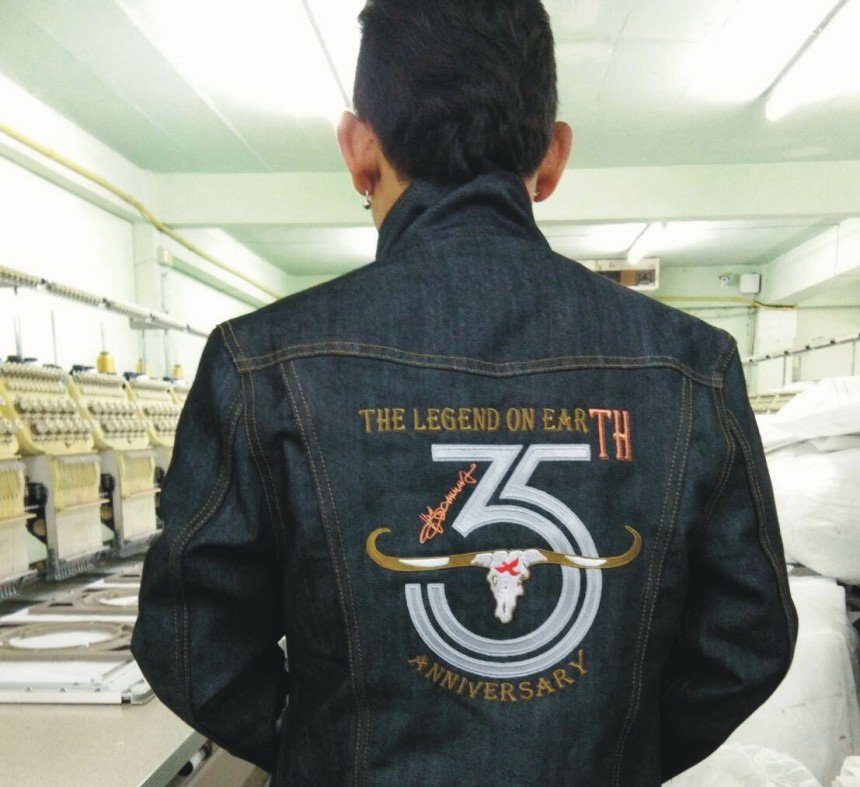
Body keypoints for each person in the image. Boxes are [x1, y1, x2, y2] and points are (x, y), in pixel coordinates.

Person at [131, 1, 797, 784]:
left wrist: (320, 745)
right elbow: (747, 638)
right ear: (552, 156)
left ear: (358, 147)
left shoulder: (261, 364)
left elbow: (190, 643)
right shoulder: (693, 366)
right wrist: (618, 752)